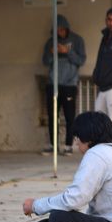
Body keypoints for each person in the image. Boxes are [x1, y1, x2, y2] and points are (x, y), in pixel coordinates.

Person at [42, 14, 86, 155]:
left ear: (66, 29)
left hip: (69, 84)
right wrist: (52, 53)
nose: (59, 33)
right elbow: (45, 61)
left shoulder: (77, 40)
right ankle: (53, 145)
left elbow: (81, 60)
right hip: (52, 83)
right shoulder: (51, 42)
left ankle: (68, 145)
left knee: (69, 116)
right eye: (57, 30)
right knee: (52, 115)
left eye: (62, 30)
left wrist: (68, 51)